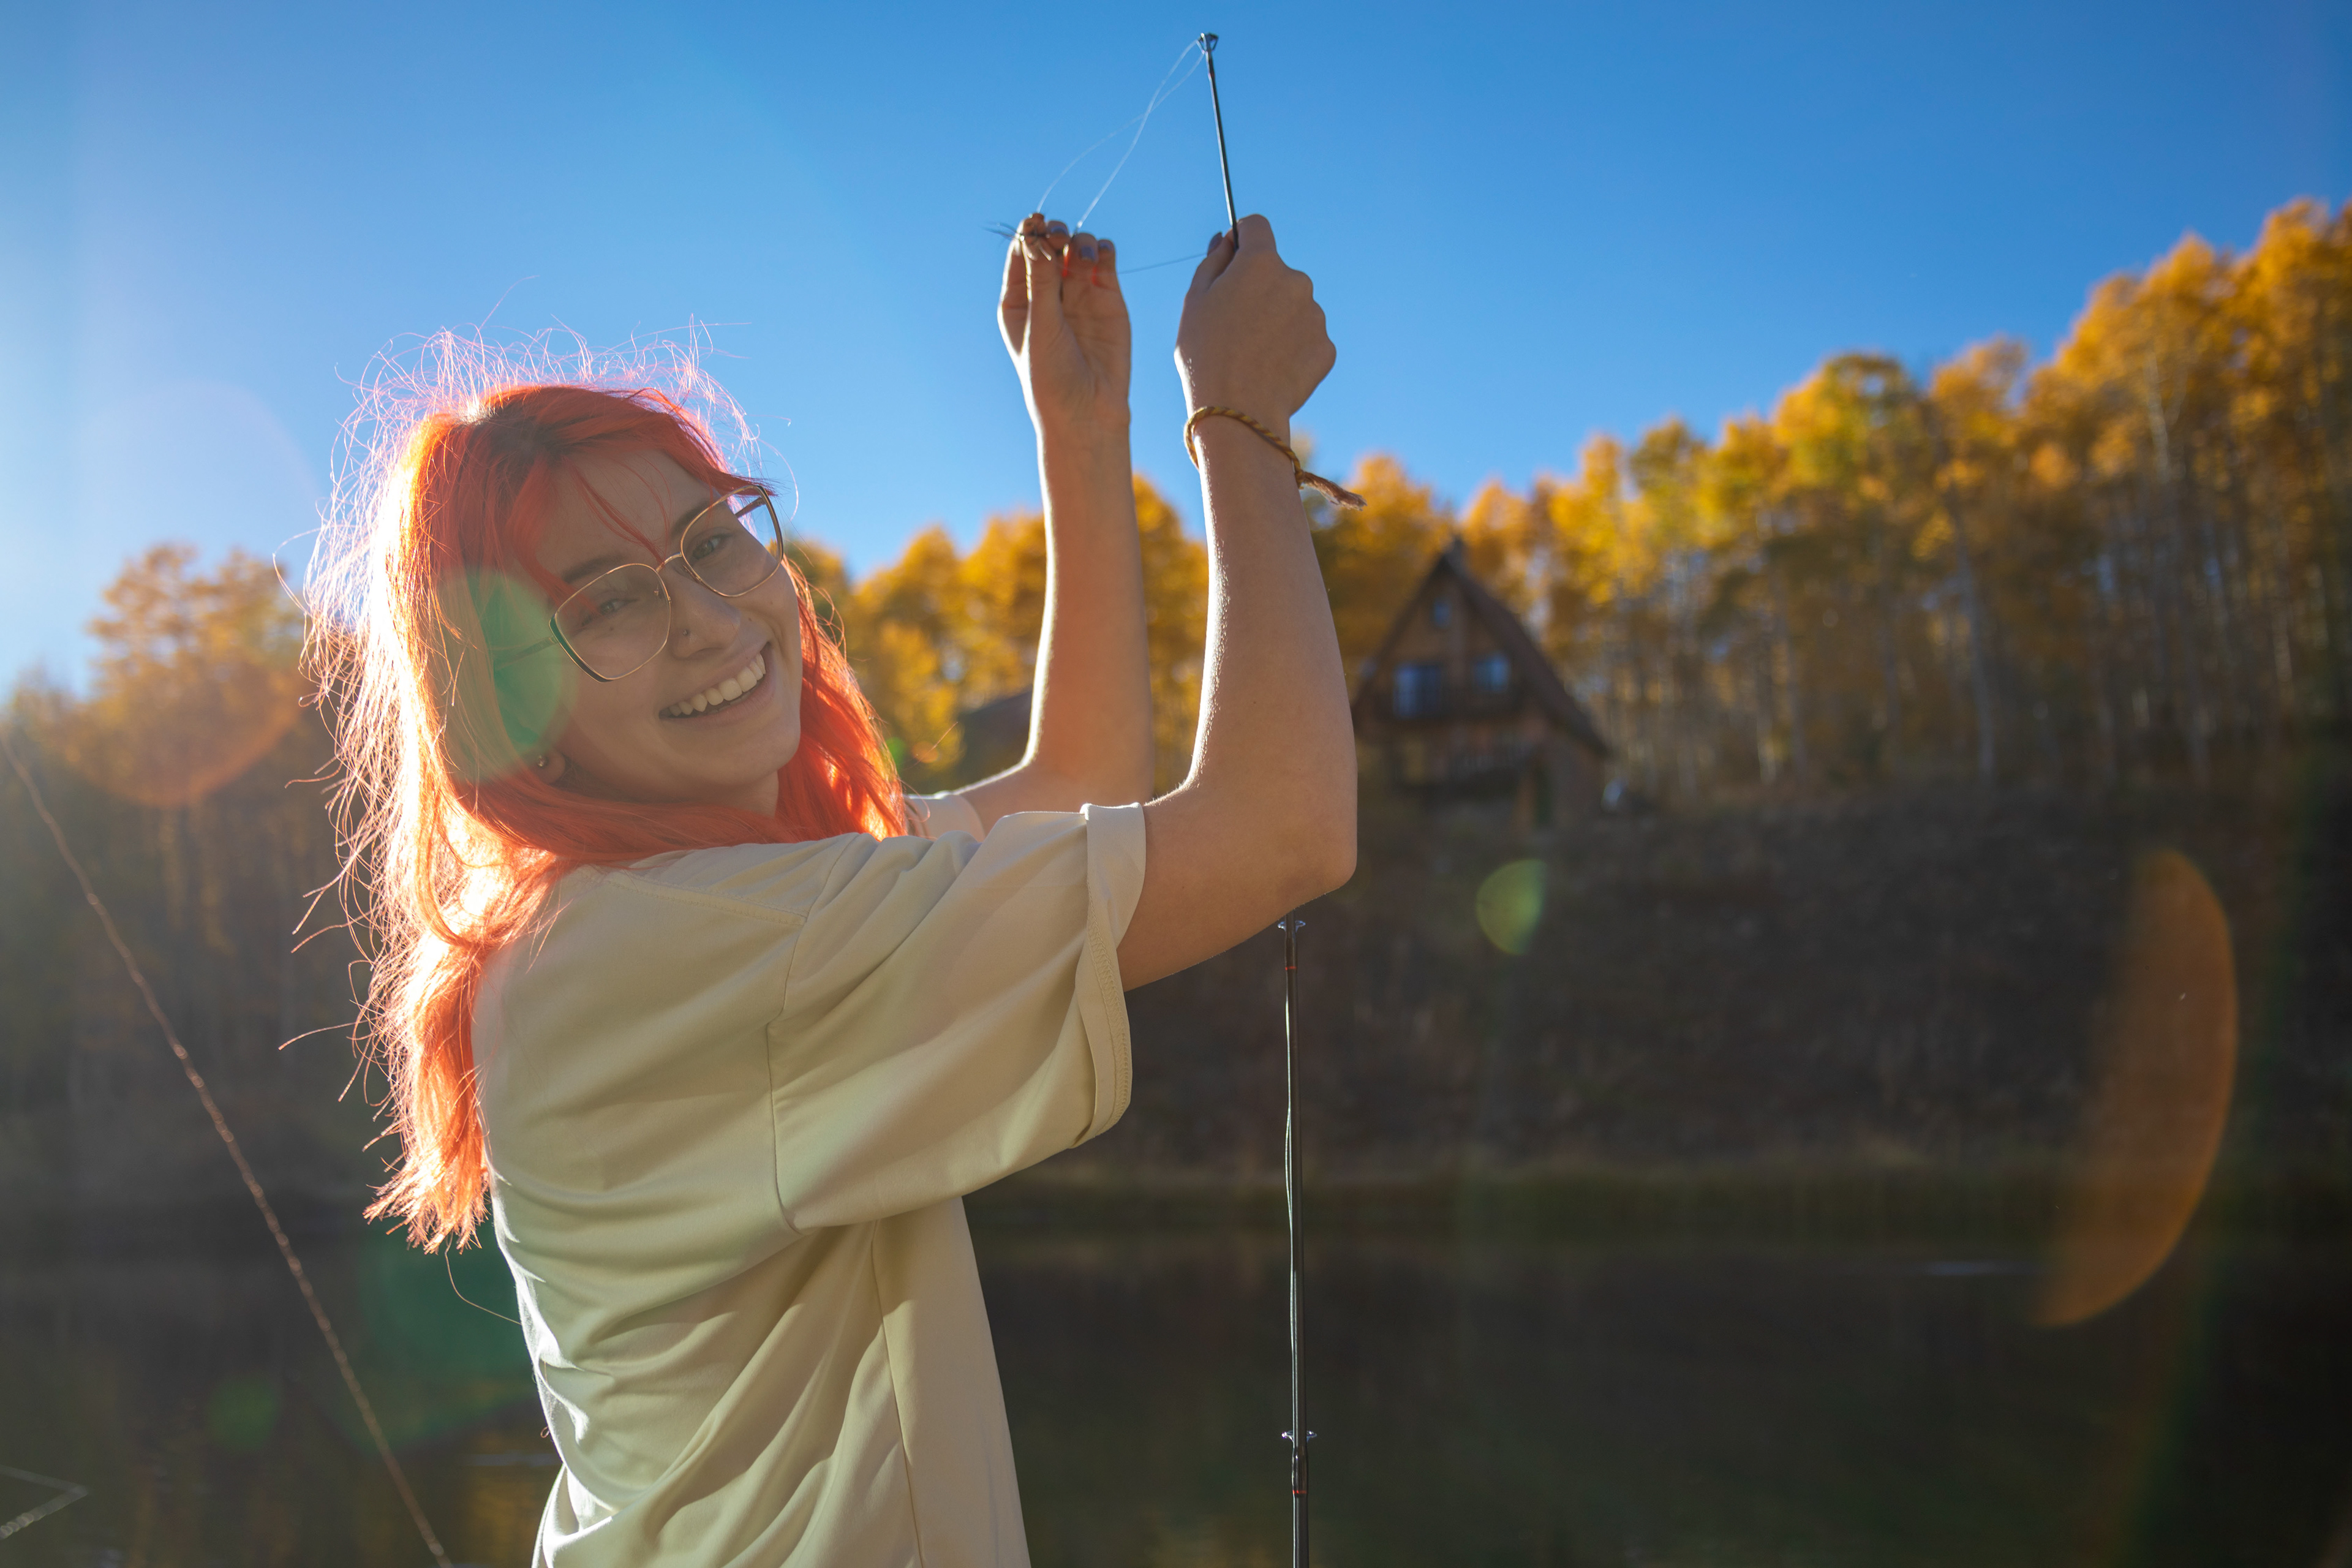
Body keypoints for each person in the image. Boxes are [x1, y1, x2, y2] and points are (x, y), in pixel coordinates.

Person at [312, 211, 1355, 1566]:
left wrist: (1082, 433)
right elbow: (1282, 830)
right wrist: (1240, 427)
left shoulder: (717, 901)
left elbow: (1081, 775)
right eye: (609, 604)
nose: (706, 615)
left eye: (709, 540)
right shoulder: (677, 946)